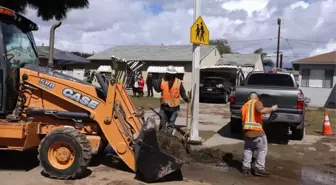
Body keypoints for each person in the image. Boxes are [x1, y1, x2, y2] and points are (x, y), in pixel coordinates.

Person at [241, 92, 278, 176]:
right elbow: (261, 110)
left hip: (246, 132)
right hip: (257, 132)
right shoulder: (256, 102)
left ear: (248, 98)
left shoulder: (244, 106)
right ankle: (259, 168)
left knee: (248, 149)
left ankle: (245, 167)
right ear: (257, 97)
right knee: (262, 149)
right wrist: (272, 108)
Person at [153, 65, 190, 135]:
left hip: (174, 108)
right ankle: (161, 137)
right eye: (166, 74)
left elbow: (182, 93)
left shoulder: (178, 82)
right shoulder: (162, 80)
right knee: (162, 124)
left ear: (172, 74)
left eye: (168, 74)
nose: (167, 75)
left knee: (171, 124)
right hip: (164, 107)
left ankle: (168, 138)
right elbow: (158, 89)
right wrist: (154, 83)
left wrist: (186, 99)